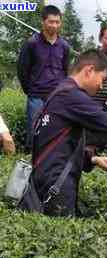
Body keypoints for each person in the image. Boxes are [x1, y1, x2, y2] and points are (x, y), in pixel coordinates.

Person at [29, 50, 107, 218]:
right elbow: (103, 122)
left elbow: (62, 143)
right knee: (63, 237)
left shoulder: (62, 91)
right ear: (89, 70)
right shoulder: (71, 95)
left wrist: (93, 159)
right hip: (56, 181)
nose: (101, 86)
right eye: (102, 79)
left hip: (49, 175)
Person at [17, 5, 71, 150]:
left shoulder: (64, 46)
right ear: (43, 21)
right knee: (35, 131)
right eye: (51, 21)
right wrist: (29, 89)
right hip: (36, 96)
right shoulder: (32, 43)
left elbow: (66, 71)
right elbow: (22, 70)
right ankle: (31, 163)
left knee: (56, 131)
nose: (54, 25)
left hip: (56, 96)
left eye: (57, 22)